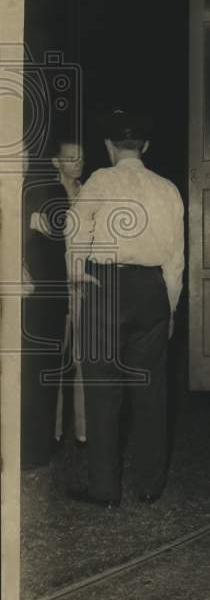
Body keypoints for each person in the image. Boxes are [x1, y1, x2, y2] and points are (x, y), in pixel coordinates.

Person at [67, 109, 184, 509]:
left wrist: (78, 275)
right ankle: (150, 486)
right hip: (152, 288)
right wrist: (168, 308)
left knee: (103, 392)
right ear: (145, 147)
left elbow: (76, 229)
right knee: (151, 392)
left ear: (109, 146)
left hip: (106, 287)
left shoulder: (101, 180)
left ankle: (104, 489)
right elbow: (176, 259)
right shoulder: (167, 189)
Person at [21, 145, 70, 467]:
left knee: (37, 374)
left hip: (38, 304)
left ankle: (33, 450)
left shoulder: (47, 191)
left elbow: (57, 245)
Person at [51, 139, 87, 445]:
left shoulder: (88, 193)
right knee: (55, 359)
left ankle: (84, 431)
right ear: (56, 162)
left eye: (81, 158)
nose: (78, 162)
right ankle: (53, 431)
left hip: (83, 286)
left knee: (82, 359)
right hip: (55, 288)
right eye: (71, 158)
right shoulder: (46, 197)